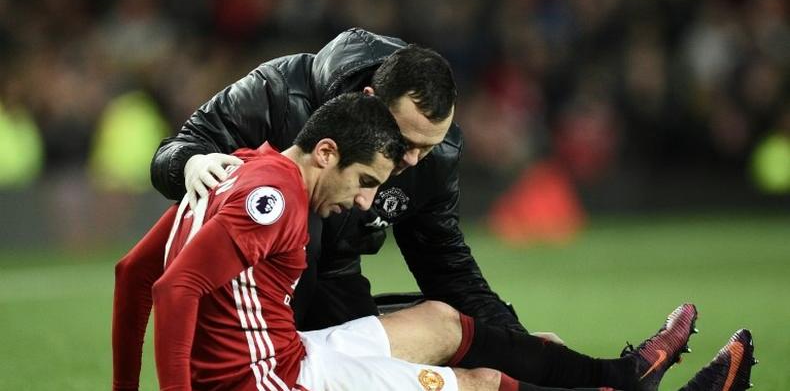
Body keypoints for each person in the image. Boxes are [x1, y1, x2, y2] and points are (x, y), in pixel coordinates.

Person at [115, 93, 756, 391]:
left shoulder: (237, 169)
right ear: (328, 150)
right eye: (365, 182)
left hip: (289, 353)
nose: (367, 204)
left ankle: (618, 380)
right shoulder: (272, 196)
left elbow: (130, 274)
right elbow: (175, 287)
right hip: (273, 381)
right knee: (476, 383)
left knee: (446, 321)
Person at [149, 28, 522, 332]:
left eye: (428, 146)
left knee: (458, 339)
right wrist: (190, 162)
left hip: (335, 281)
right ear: (369, 99)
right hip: (249, 284)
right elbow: (173, 153)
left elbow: (445, 265)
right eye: (406, 142)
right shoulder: (279, 94)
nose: (411, 159)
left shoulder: (435, 157)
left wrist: (521, 346)